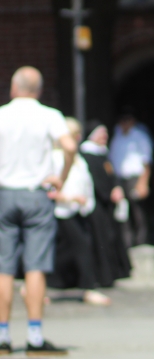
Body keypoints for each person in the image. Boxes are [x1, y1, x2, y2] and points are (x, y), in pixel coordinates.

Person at [0, 66, 76, 356]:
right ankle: (34, 336)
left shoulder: (2, 114)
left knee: (3, 267)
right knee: (35, 266)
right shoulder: (48, 115)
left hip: (5, 192)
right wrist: (62, 176)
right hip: (36, 194)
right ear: (39, 90)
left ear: (13, 88)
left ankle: (2, 336)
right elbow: (69, 146)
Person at [48, 118, 111, 306]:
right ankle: (88, 288)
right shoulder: (55, 158)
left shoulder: (78, 158)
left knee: (64, 251)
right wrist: (70, 198)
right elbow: (50, 190)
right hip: (62, 211)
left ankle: (39, 282)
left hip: (79, 210)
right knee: (82, 246)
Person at [80, 121, 132, 288]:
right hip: (97, 203)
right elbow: (93, 180)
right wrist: (106, 193)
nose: (104, 137)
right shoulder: (87, 154)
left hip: (108, 203)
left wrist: (117, 187)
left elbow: (112, 174)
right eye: (101, 133)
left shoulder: (103, 153)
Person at [109, 109, 153, 247]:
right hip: (120, 178)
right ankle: (127, 240)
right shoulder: (117, 137)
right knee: (123, 210)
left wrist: (143, 183)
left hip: (135, 177)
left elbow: (146, 161)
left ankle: (141, 240)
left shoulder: (140, 137)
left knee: (137, 211)